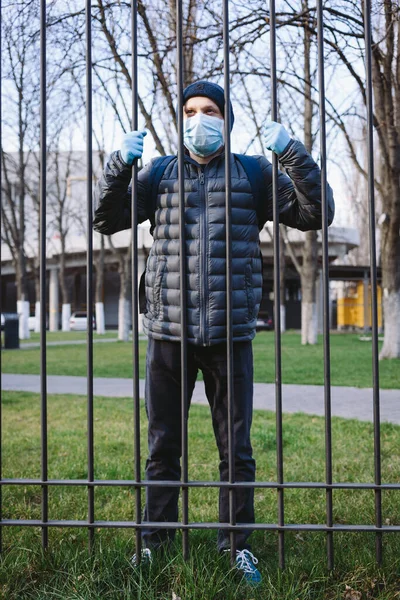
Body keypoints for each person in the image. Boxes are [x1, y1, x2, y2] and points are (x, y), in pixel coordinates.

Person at [93, 80, 335, 585]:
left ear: (226, 119)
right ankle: (153, 544)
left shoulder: (253, 172)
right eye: (190, 111)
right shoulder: (158, 172)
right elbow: (105, 219)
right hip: (168, 332)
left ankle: (235, 546)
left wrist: (291, 153)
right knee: (163, 445)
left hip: (230, 335)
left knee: (236, 450)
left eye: (209, 111)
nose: (198, 119)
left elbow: (317, 213)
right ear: (180, 118)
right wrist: (120, 165)